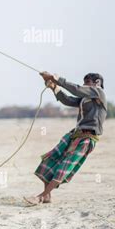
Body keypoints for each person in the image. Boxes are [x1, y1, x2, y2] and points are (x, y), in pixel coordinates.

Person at [24, 72, 107, 205]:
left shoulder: (99, 92)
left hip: (87, 138)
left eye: (87, 82)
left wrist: (56, 79)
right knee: (51, 158)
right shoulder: (85, 99)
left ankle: (40, 197)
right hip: (75, 135)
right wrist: (53, 87)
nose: (85, 85)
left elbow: (77, 89)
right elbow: (67, 100)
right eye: (84, 82)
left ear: (97, 82)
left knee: (64, 166)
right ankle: (47, 196)